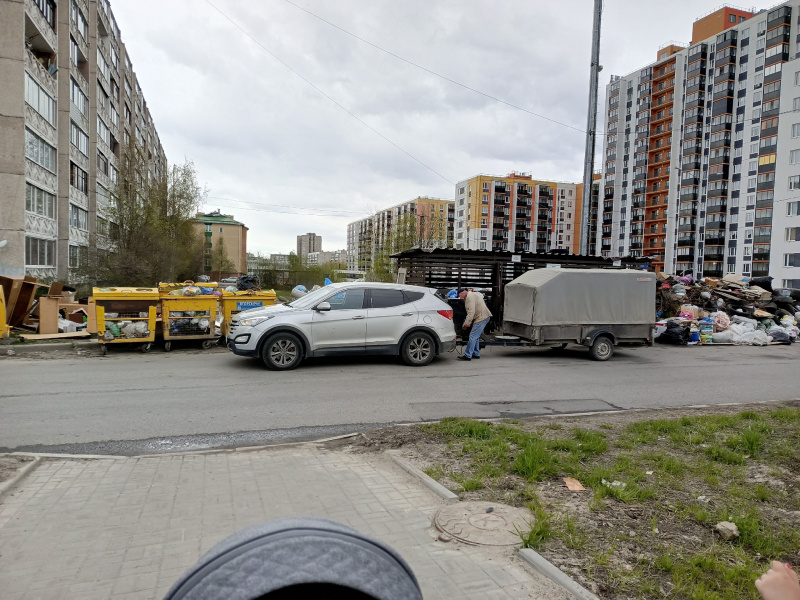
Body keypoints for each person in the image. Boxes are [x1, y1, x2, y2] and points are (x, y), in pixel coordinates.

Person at [457, 288, 492, 361]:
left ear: (463, 292)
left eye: (459, 295)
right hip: (483, 317)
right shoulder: (471, 294)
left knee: (472, 336)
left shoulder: (469, 297)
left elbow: (471, 312)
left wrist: (466, 323)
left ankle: (468, 355)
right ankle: (476, 353)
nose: (460, 297)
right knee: (475, 336)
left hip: (481, 318)